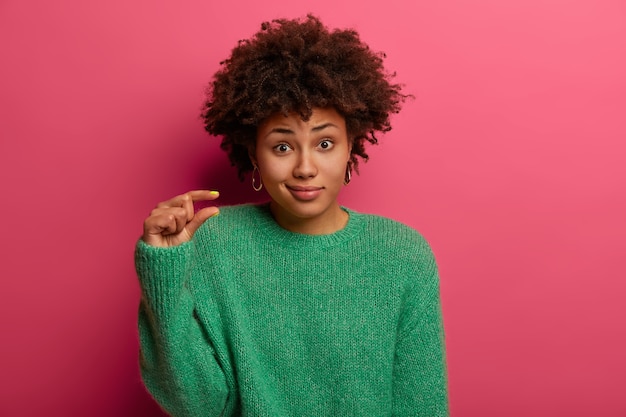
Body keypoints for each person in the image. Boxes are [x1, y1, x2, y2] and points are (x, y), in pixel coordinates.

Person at [135, 15, 448, 417]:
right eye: (282, 147)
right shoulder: (214, 242)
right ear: (253, 154)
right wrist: (164, 273)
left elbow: (421, 406)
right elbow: (197, 405)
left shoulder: (402, 255)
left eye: (325, 143)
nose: (304, 167)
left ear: (351, 146)